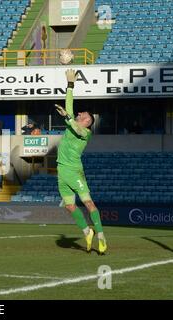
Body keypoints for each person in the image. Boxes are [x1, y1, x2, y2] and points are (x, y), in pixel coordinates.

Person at [55, 69, 107, 255]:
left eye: (83, 113)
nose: (80, 112)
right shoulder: (72, 123)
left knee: (88, 203)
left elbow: (77, 129)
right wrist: (70, 84)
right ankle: (87, 231)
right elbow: (69, 104)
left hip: (74, 170)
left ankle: (101, 236)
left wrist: (68, 117)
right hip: (61, 171)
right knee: (69, 206)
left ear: (87, 121)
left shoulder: (86, 132)